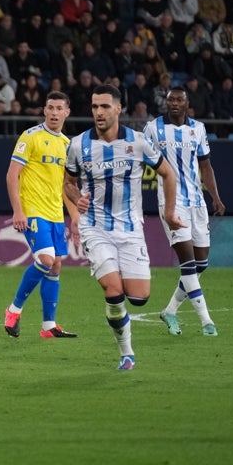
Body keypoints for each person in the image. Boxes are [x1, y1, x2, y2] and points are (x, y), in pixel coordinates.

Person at [64, 85, 183, 371]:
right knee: (113, 290)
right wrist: (76, 198)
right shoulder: (79, 144)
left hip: (130, 230)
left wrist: (168, 212)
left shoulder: (139, 142)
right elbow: (67, 182)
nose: (98, 112)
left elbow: (168, 173)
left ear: (118, 109)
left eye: (104, 106)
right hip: (95, 227)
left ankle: (122, 312)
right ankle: (126, 352)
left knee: (139, 298)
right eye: (94, 107)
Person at [143, 87, 226, 338]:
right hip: (171, 203)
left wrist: (215, 197)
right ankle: (206, 322)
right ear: (166, 104)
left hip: (197, 202)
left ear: (188, 103)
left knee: (201, 263)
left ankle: (170, 310)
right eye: (171, 101)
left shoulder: (198, 129)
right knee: (188, 264)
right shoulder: (153, 129)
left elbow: (205, 165)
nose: (175, 104)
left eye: (179, 100)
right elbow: (139, 159)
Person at [3, 91, 82, 340]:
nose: (55, 113)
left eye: (60, 108)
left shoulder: (68, 145)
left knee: (56, 265)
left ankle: (48, 326)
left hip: (55, 214)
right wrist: (18, 210)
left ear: (67, 112)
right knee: (47, 260)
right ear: (44, 110)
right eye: (50, 108)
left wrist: (75, 217)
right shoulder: (31, 136)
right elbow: (12, 174)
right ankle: (13, 310)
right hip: (33, 211)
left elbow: (65, 188)